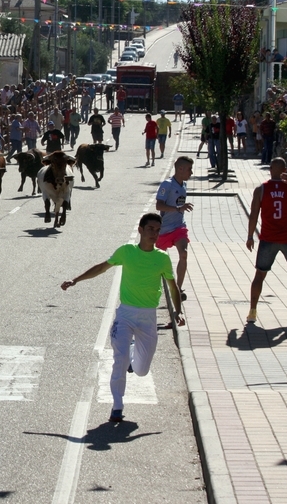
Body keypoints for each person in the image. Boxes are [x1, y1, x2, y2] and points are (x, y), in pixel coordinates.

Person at [61, 213, 184, 423]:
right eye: (150, 229)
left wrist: (177, 312)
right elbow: (102, 267)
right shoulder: (126, 252)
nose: (154, 233)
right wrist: (76, 280)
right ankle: (117, 405)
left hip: (148, 317)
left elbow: (173, 288)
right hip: (125, 314)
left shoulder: (162, 258)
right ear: (141, 230)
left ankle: (131, 355)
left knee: (142, 370)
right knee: (119, 361)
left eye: (157, 229)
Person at [247, 159, 287, 323]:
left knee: (259, 274)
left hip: (267, 238)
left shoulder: (261, 189)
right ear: (285, 170)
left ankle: (252, 311)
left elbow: (254, 214)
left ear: (270, 169)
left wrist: (250, 236)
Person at [156, 156, 194, 301]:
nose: (191, 172)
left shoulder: (184, 185)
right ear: (180, 169)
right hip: (164, 229)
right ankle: (155, 286)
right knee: (158, 262)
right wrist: (178, 208)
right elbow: (159, 206)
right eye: (189, 169)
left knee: (183, 254)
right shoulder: (167, 185)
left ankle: (177, 289)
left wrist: (180, 210)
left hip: (179, 227)